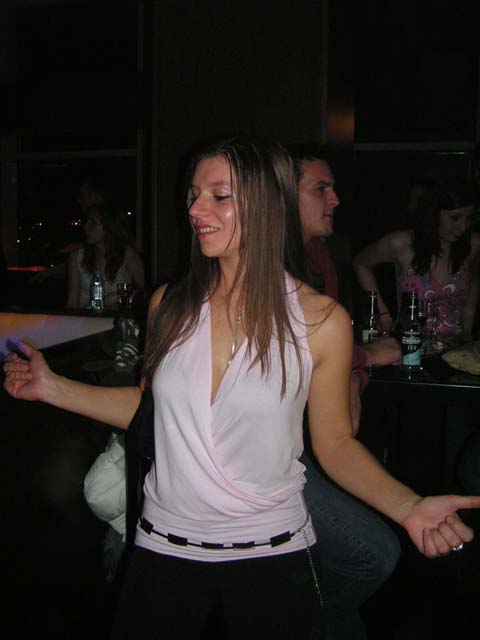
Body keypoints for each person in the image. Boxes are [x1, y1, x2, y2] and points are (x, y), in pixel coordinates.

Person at [4, 137, 480, 640]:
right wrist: (53, 387)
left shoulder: (320, 320)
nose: (195, 210)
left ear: (266, 206)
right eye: (193, 195)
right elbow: (149, 409)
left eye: (219, 195)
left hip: (271, 555)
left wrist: (408, 506)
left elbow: (336, 444)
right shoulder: (168, 304)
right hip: (163, 550)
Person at [288, 142, 401, 639]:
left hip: (314, 438)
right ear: (280, 195)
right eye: (321, 188)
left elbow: (329, 353)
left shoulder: (320, 257)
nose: (335, 199)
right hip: (274, 455)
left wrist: (354, 372)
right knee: (373, 554)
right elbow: (296, 354)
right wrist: (363, 359)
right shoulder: (263, 264)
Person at [353, 176, 480, 341]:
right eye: (454, 218)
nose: (462, 227)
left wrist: (467, 330)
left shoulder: (473, 244)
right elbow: (361, 263)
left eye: (468, 219)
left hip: (454, 346)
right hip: (411, 343)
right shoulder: (401, 243)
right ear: (434, 212)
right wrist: (383, 314)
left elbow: (473, 286)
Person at [66, 202, 145, 309]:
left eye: (93, 223)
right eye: (87, 222)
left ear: (109, 227)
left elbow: (144, 293)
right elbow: (72, 303)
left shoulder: (127, 255)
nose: (85, 227)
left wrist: (120, 297)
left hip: (118, 318)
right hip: (86, 317)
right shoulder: (77, 257)